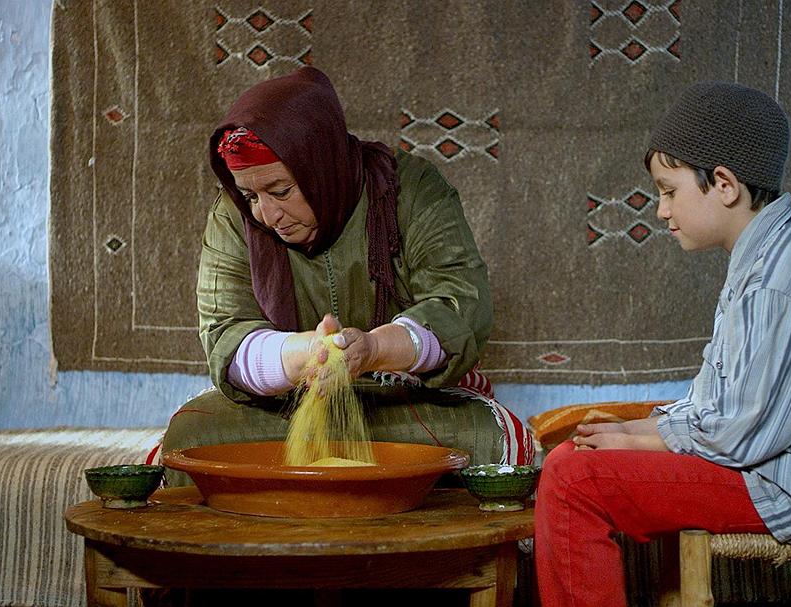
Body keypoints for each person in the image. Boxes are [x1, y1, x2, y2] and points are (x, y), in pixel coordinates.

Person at [533, 81, 791, 606]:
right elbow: (719, 397)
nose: (661, 211)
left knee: (574, 482)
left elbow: (744, 430)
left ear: (724, 184)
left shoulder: (781, 283)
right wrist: (638, 430)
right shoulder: (764, 258)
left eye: (669, 191)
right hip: (790, 463)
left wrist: (644, 440)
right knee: (571, 460)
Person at [161, 66, 532, 485]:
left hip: (406, 402)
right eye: (250, 195)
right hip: (283, 409)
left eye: (281, 191)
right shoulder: (233, 218)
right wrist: (305, 354)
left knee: (487, 440)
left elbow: (462, 305)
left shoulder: (410, 189)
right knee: (188, 439)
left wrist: (373, 349)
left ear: (319, 163)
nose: (267, 214)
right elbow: (225, 334)